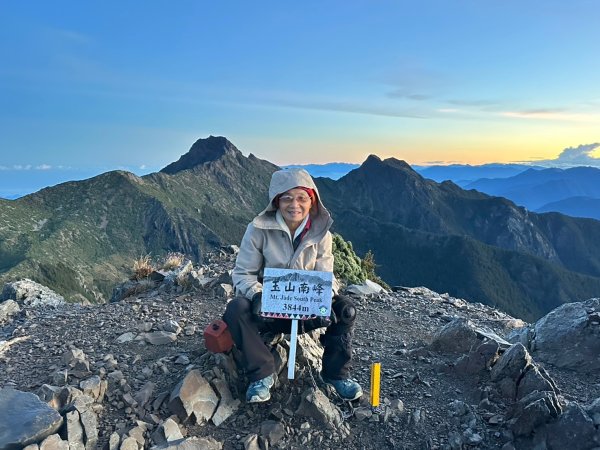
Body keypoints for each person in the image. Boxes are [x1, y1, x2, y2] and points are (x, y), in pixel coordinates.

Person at [223, 168, 362, 403]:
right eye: (286, 197)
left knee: (345, 310)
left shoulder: (322, 235)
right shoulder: (257, 230)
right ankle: (262, 374)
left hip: (307, 311)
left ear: (312, 200)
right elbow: (243, 274)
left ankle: (335, 374)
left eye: (301, 198)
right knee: (236, 309)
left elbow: (325, 275)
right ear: (276, 201)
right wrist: (258, 296)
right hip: (268, 310)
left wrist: (325, 301)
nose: (294, 204)